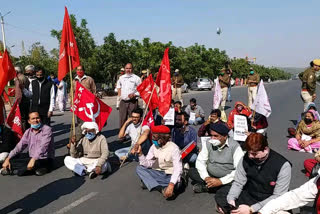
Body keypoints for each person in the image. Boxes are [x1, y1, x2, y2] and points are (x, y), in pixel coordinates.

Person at [225, 133, 291, 214]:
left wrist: (251, 209)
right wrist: (231, 199)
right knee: (223, 195)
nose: (250, 156)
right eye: (248, 152)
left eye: (254, 153)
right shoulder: (245, 158)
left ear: (265, 149)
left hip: (270, 199)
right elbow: (238, 183)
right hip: (250, 195)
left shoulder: (283, 165)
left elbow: (278, 196)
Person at [189, 123, 243, 212]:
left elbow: (239, 170)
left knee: (235, 184)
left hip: (227, 179)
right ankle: (213, 186)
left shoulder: (235, 146)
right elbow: (200, 161)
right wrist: (206, 177)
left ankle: (209, 188)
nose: (212, 138)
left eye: (216, 136)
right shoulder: (208, 143)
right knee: (192, 172)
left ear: (225, 136)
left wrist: (220, 181)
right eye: (211, 135)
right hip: (210, 175)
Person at [135, 125, 184, 200]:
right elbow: (148, 164)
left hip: (170, 175)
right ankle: (161, 188)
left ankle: (153, 184)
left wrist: (171, 185)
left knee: (177, 184)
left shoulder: (174, 149)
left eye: (154, 137)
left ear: (162, 138)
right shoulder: (153, 147)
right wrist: (140, 154)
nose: (152, 139)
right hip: (160, 172)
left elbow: (178, 169)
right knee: (139, 168)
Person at [1, 112, 55, 176]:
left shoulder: (47, 129)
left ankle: (13, 170)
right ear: (29, 121)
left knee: (26, 167)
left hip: (45, 158)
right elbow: (20, 146)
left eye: (37, 118)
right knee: (13, 160)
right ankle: (19, 168)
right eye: (33, 119)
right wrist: (8, 158)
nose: (36, 120)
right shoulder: (28, 132)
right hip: (32, 158)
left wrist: (33, 159)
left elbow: (43, 147)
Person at [71, 65, 97, 142]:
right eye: (78, 70)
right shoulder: (74, 81)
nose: (79, 71)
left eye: (81, 70)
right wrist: (72, 103)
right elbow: (71, 93)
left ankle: (92, 138)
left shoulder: (89, 79)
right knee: (80, 124)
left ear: (84, 71)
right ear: (76, 71)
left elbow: (94, 91)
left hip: (88, 106)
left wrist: (93, 101)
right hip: (79, 106)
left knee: (90, 123)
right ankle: (81, 139)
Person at [116, 63, 141, 129]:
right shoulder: (121, 78)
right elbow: (118, 88)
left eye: (130, 68)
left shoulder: (136, 78)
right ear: (124, 69)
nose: (128, 70)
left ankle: (134, 134)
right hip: (123, 102)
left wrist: (135, 94)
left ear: (132, 69)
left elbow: (141, 90)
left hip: (133, 102)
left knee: (134, 119)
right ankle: (122, 136)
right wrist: (118, 101)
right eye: (127, 68)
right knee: (122, 119)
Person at [14, 66, 30, 131]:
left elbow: (19, 92)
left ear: (16, 71)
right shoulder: (25, 77)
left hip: (22, 100)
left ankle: (24, 133)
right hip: (26, 100)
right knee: (26, 117)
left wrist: (16, 101)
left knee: (23, 118)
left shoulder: (18, 79)